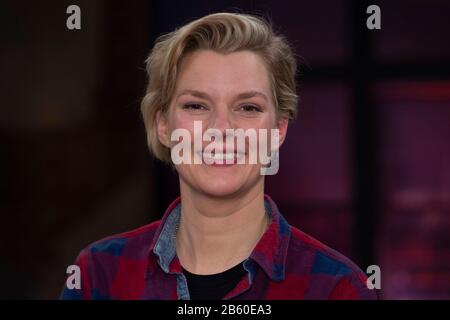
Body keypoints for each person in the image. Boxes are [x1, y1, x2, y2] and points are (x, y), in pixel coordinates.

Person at [61, 12, 377, 300]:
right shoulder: (97, 275)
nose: (221, 129)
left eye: (248, 107)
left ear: (278, 130)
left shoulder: (337, 288)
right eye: (196, 106)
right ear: (162, 125)